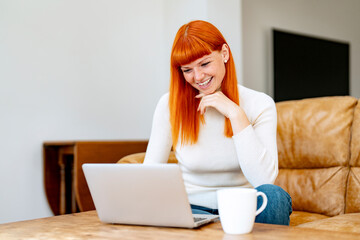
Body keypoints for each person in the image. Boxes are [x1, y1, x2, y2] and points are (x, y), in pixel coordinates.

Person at [143, 20, 292, 225]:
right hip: (189, 209)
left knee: (274, 196)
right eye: (187, 70)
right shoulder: (168, 105)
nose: (198, 77)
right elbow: (148, 175)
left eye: (205, 64)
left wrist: (235, 113)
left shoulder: (260, 104)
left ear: (224, 53)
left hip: (243, 207)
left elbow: (264, 180)